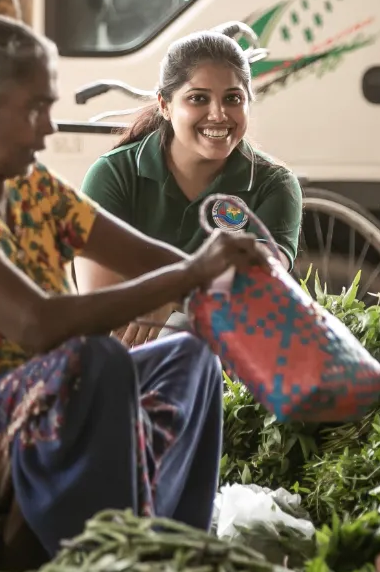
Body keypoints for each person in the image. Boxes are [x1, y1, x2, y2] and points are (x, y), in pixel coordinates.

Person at [0, 14, 269, 572]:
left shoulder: (31, 185)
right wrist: (190, 274)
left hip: (58, 394)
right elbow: (38, 324)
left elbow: (150, 260)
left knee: (190, 358)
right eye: (32, 109)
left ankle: (169, 547)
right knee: (93, 359)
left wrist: (237, 287)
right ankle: (93, 564)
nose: (46, 129)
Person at [77, 22, 303, 346]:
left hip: (233, 370)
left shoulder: (274, 185)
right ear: (165, 105)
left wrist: (174, 294)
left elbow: (260, 286)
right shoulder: (114, 174)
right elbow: (103, 311)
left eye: (233, 98)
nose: (218, 114)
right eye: (198, 98)